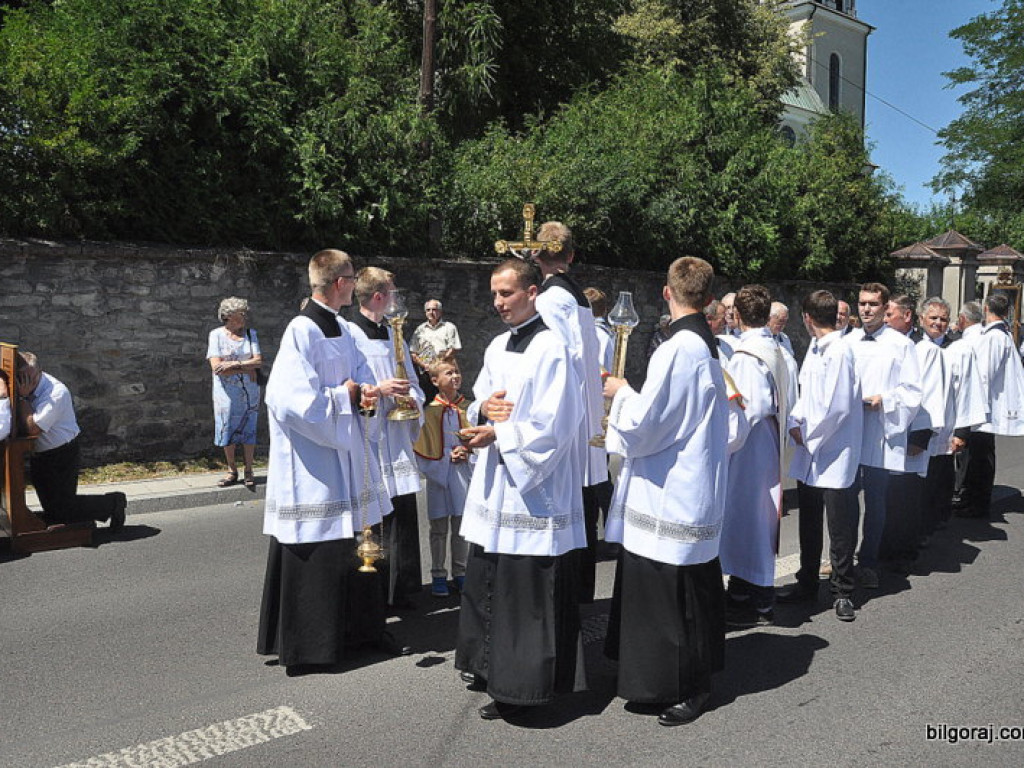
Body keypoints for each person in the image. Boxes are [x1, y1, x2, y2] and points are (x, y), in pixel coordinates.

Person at [257, 249, 407, 676]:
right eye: (350, 276)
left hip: (348, 455)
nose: (354, 283)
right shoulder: (301, 331)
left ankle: (360, 634)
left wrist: (369, 393)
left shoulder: (342, 328)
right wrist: (347, 397)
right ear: (339, 282)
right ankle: (311, 646)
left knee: (357, 547)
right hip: (315, 466)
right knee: (320, 548)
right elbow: (288, 401)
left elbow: (359, 379)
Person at [455, 258, 586, 722]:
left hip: (534, 494)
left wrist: (501, 436)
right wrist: (477, 414)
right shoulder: (495, 345)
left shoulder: (554, 349)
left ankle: (526, 686)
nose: (498, 303)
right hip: (497, 487)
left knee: (524, 593)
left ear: (532, 292)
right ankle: (492, 673)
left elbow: (557, 425)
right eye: (494, 294)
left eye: (506, 293)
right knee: (491, 581)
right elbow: (481, 399)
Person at [601, 256, 729, 726]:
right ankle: (665, 678)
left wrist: (619, 392)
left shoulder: (679, 349)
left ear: (665, 291)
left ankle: (689, 686)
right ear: (710, 299)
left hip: (673, 488)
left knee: (679, 594)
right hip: (682, 483)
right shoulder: (703, 342)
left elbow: (648, 424)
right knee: (678, 590)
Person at [533, 221, 609, 604]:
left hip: (569, 413)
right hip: (588, 412)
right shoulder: (577, 295)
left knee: (567, 503)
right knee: (585, 501)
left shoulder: (548, 299)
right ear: (571, 256)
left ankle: (565, 593)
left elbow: (554, 362)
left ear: (536, 255)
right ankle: (581, 591)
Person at [777, 290, 862, 621]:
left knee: (839, 524)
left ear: (807, 318)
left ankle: (842, 590)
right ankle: (807, 580)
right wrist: (796, 421)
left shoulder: (840, 351)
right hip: (810, 449)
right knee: (809, 520)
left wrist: (806, 433)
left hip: (833, 451)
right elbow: (806, 394)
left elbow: (837, 407)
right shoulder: (814, 348)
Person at [348, 267, 425, 609]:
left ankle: (404, 590)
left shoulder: (397, 336)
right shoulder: (350, 337)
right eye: (393, 293)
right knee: (373, 517)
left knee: (402, 514)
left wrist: (412, 399)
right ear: (379, 297)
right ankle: (373, 593)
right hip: (371, 439)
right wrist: (378, 391)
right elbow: (347, 387)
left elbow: (415, 383)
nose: (397, 301)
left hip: (397, 439)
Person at [719, 286, 794, 627]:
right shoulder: (775, 348)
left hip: (751, 446)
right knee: (753, 520)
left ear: (737, 315)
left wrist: (723, 445)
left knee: (748, 520)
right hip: (767, 441)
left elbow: (752, 408)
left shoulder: (747, 355)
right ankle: (741, 589)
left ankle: (758, 600)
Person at [846, 283, 921, 588]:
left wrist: (885, 400)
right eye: (862, 303)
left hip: (880, 432)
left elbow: (913, 390)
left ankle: (868, 562)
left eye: (873, 304)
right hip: (849, 434)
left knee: (876, 503)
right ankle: (842, 558)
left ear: (885, 307)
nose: (866, 309)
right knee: (845, 502)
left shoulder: (901, 345)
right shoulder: (847, 342)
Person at [15, 351, 127, 530]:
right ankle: (65, 518)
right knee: (52, 507)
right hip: (41, 453)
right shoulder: (24, 386)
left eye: (32, 378)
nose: (28, 383)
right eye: (22, 378)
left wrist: (21, 397)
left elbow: (32, 429)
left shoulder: (55, 393)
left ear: (40, 372)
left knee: (64, 506)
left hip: (61, 453)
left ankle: (113, 502)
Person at [879, 295, 946, 574]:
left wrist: (921, 436)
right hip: (888, 432)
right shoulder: (888, 344)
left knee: (906, 497)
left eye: (889, 313)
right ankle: (885, 548)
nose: (884, 318)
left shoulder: (924, 349)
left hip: (911, 435)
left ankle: (903, 553)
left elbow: (930, 396)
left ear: (907, 316)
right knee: (888, 497)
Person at [918, 297, 987, 536]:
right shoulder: (912, 347)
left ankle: (934, 522)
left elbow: (969, 391)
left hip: (946, 428)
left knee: (939, 477)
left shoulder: (960, 349)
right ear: (921, 319)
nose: (938, 323)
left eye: (943, 319)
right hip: (916, 427)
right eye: (933, 318)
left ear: (951, 322)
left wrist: (962, 432)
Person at [959, 293, 1024, 518]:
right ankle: (971, 499)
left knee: (980, 460)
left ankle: (977, 503)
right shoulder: (1000, 334)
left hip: (984, 411)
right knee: (977, 457)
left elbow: (984, 375)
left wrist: (972, 403)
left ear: (986, 308)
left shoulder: (993, 338)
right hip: (985, 410)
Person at [413, 354, 472, 597]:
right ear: (435, 380)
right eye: (449, 373)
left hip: (462, 473)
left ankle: (460, 571)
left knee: (461, 526)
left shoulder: (468, 407)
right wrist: (447, 457)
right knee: (438, 527)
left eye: (456, 372)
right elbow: (421, 447)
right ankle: (438, 572)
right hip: (439, 474)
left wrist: (468, 451)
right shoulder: (429, 411)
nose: (455, 376)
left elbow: (481, 440)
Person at [207, 297, 262, 490]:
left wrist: (233, 364)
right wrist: (246, 368)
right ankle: (232, 470)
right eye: (241, 314)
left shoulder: (250, 334)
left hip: (250, 392)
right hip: (225, 393)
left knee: (249, 429)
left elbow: (258, 361)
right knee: (227, 428)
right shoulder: (216, 335)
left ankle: (249, 469)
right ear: (229, 316)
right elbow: (216, 367)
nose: (244, 318)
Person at [410, 299, 462, 402]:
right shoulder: (420, 330)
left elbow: (454, 348)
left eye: (434, 309)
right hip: (425, 372)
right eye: (428, 310)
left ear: (440, 312)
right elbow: (413, 352)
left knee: (446, 399)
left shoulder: (449, 327)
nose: (431, 312)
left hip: (444, 372)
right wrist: (425, 366)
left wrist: (439, 364)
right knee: (427, 399)